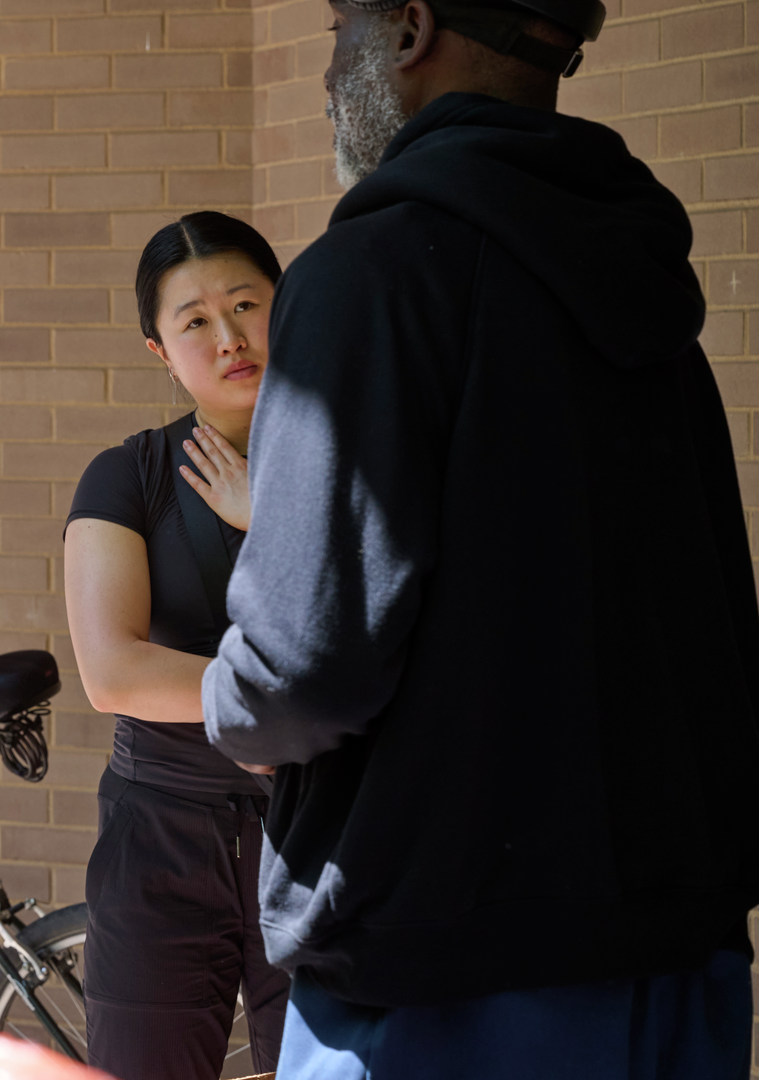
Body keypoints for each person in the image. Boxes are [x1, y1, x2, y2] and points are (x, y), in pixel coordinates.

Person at [199, 0, 759, 1074]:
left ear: (410, 30)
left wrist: (234, 703)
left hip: (444, 983)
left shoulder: (369, 273)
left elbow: (303, 662)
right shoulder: (643, 280)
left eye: (337, 29)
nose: (328, 73)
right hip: (677, 960)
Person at [63, 211, 289, 1079]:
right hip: (159, 839)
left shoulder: (352, 462)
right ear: (160, 350)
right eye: (195, 321)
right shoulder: (127, 478)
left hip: (315, 836)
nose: (229, 337)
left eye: (246, 305)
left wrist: (273, 519)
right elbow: (113, 670)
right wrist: (279, 704)